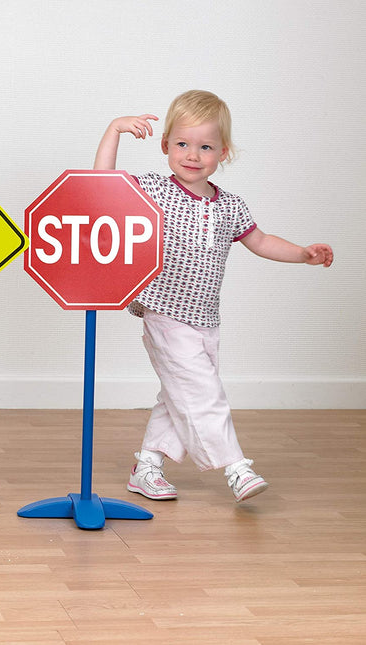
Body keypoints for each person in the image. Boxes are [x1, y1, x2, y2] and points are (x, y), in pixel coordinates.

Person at [94, 90, 333, 503]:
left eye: (205, 146)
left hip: (206, 317)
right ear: (165, 145)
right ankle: (236, 467)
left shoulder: (231, 206)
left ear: (223, 152)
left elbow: (260, 241)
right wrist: (114, 128)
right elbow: (101, 187)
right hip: (164, 309)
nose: (192, 154)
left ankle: (147, 466)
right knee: (203, 392)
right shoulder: (153, 190)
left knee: (179, 393)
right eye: (183, 144)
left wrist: (302, 255)